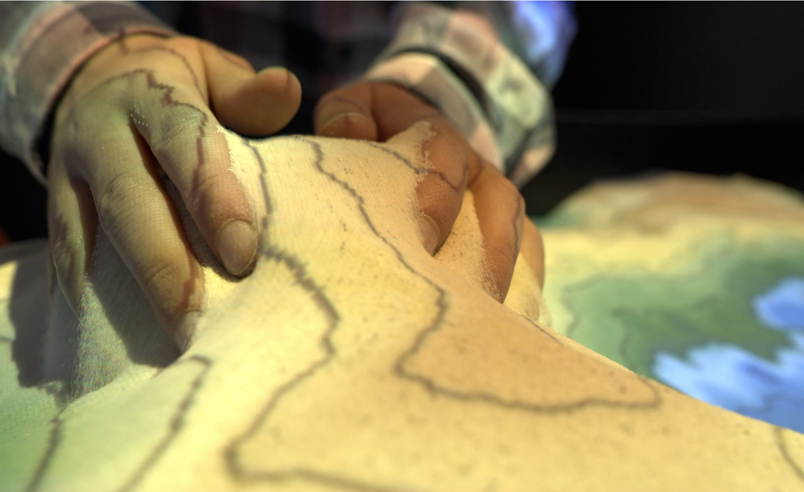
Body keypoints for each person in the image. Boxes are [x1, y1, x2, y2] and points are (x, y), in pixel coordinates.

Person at [0, 1, 576, 350]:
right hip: (103, 163)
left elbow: (522, 12)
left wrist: (443, 83)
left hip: (399, 138)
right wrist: (89, 58)